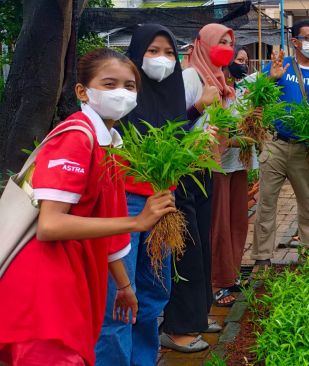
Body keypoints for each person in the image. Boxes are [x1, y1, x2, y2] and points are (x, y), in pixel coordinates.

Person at [0, 48, 175, 366]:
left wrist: (123, 285)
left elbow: (99, 222)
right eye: (109, 84)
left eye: (129, 85)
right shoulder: (77, 139)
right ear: (83, 91)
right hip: (45, 293)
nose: (121, 93)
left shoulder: (107, 141)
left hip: (69, 284)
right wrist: (136, 223)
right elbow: (50, 225)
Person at [95, 24, 201, 364]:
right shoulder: (118, 97)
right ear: (135, 55)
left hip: (162, 204)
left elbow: (176, 140)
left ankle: (142, 359)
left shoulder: (171, 93)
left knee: (155, 292)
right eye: (152, 51)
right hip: (123, 204)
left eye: (169, 52)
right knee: (119, 298)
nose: (162, 60)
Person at [160, 23, 235, 352]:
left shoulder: (216, 79)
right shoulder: (191, 77)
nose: (227, 47)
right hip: (185, 172)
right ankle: (177, 328)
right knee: (187, 251)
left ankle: (198, 318)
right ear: (202, 44)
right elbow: (172, 126)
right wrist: (202, 105)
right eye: (221, 41)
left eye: (230, 42)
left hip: (204, 169)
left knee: (201, 247)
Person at [251, 19, 309, 264]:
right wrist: (270, 79)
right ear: (295, 42)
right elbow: (257, 97)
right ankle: (262, 258)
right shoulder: (280, 66)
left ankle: (308, 252)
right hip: (276, 144)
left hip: (307, 149)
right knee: (267, 203)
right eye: (308, 38)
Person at [210, 47, 258, 307]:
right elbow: (220, 134)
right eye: (239, 60)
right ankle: (216, 282)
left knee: (237, 221)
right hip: (218, 166)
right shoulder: (214, 88)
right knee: (220, 226)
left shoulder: (242, 90)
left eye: (246, 61)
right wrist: (240, 139)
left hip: (239, 164)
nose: (244, 65)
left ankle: (231, 274)